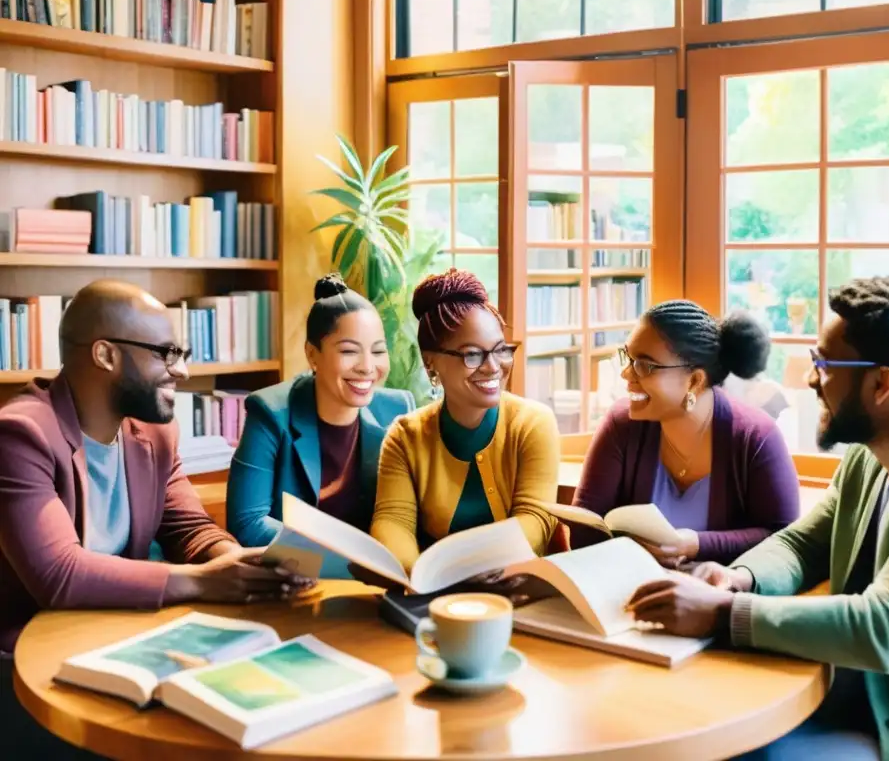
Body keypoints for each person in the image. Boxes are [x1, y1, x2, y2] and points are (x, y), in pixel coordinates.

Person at [624, 277, 889, 760]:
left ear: (881, 384)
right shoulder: (873, 454)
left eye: (824, 364)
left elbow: (886, 627)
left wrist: (722, 612)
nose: (811, 379)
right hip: (855, 706)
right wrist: (737, 577)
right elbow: (802, 545)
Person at [0, 280, 310, 757]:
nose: (182, 370)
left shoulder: (154, 434)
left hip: (119, 639)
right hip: (29, 663)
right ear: (105, 355)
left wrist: (238, 565)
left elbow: (189, 529)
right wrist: (205, 582)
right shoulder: (20, 435)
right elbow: (58, 575)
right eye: (165, 353)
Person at [572, 300, 800, 566]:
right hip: (627, 593)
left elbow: (782, 537)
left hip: (719, 600)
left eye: (644, 365)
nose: (626, 374)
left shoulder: (756, 437)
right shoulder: (621, 425)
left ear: (694, 381)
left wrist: (694, 545)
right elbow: (583, 528)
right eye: (628, 358)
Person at [369, 269, 559, 574]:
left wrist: (462, 566)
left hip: (518, 593)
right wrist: (420, 575)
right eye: (472, 355)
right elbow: (392, 522)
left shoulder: (533, 423)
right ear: (431, 362)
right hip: (436, 595)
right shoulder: (405, 437)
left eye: (500, 350)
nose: (493, 367)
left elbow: (535, 521)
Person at [226, 273, 415, 548]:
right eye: (349, 351)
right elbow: (247, 523)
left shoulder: (399, 411)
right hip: (298, 576)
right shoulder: (269, 412)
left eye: (378, 351)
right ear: (312, 355)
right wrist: (340, 560)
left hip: (376, 578)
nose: (367, 366)